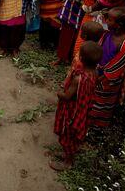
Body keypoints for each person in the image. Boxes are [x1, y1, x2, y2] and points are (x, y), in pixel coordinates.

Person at [51, 41, 102, 171]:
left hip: (73, 111)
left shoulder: (78, 78)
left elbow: (67, 96)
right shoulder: (95, 73)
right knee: (73, 135)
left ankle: (68, 162)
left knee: (69, 135)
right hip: (84, 109)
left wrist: (59, 93)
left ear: (82, 58)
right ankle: (67, 154)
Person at [88, 6, 125, 128]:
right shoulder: (106, 34)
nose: (106, 21)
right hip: (97, 71)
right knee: (92, 97)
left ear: (119, 25)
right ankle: (88, 119)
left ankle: (98, 124)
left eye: (109, 20)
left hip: (108, 80)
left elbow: (119, 64)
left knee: (103, 101)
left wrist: (103, 76)